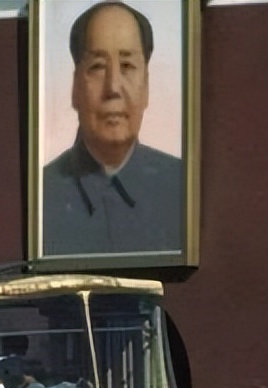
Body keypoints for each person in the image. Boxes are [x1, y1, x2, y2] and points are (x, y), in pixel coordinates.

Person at [42, 1, 183, 257]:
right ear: (75, 88)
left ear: (146, 86)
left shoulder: (182, 187)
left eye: (127, 66)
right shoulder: (41, 198)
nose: (113, 88)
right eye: (97, 67)